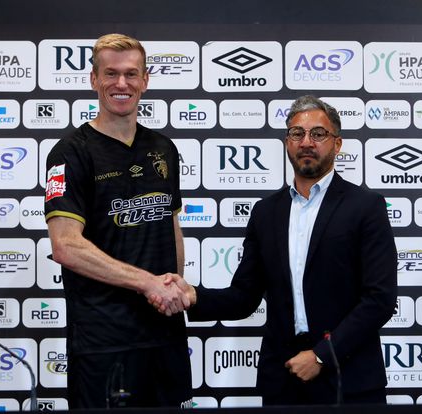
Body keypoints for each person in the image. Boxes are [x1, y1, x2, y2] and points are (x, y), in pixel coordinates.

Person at [155, 95, 397, 405]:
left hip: (349, 380)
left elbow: (379, 299)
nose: (306, 142)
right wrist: (193, 297)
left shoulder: (366, 206)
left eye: (318, 133)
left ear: (337, 144)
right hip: (283, 381)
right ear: (287, 142)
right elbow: (244, 296)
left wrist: (322, 355)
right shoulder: (266, 212)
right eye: (297, 133)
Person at [44, 33, 192, 409]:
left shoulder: (164, 148)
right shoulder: (70, 152)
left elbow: (171, 227)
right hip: (104, 341)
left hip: (164, 334)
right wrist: (148, 283)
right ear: (94, 79)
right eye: (111, 73)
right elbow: (65, 246)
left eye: (131, 74)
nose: (121, 83)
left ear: (145, 80)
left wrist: (173, 287)